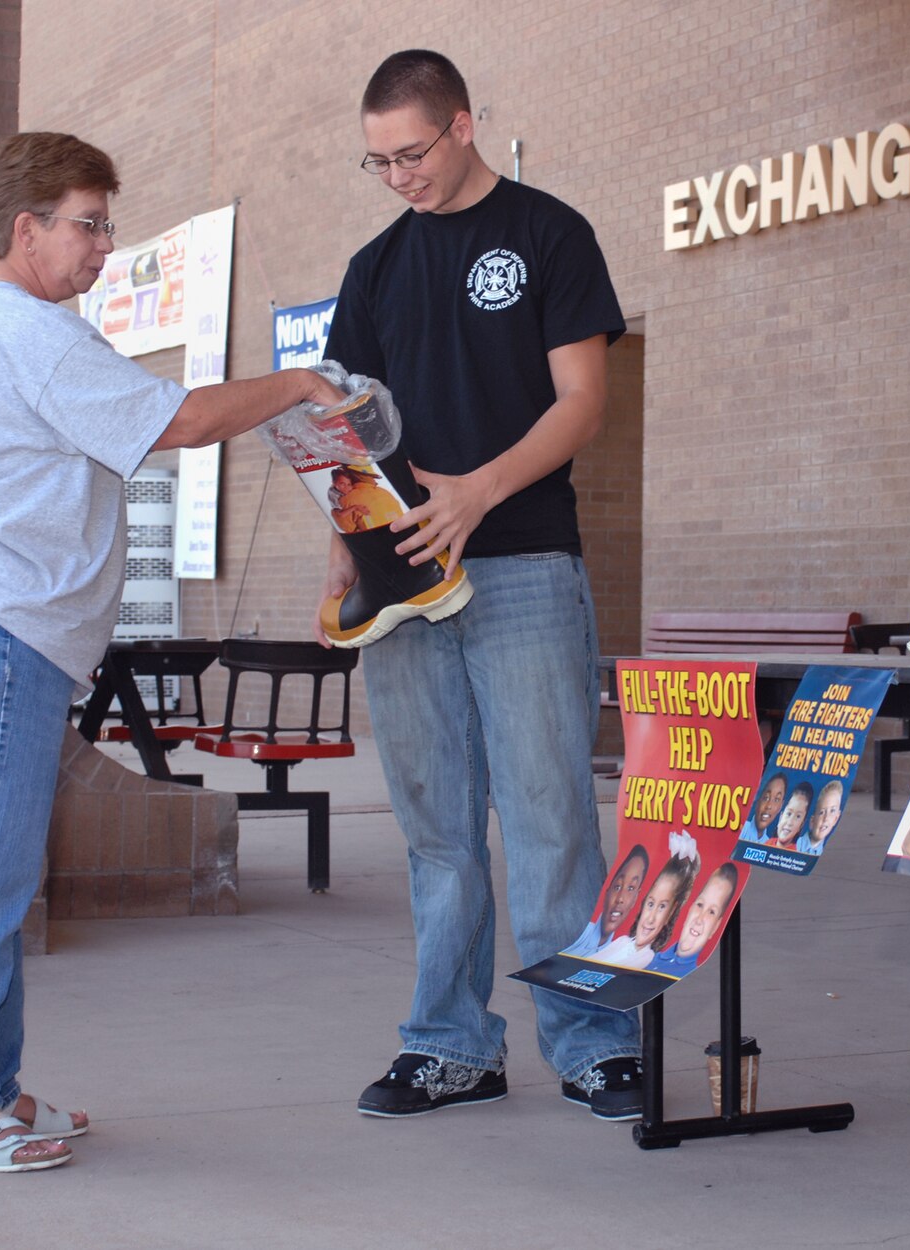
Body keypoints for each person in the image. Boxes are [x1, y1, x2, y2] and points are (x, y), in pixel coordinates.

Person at [0, 132, 343, 1171]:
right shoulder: (27, 331)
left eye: (107, 225)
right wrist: (296, 383)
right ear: (28, 228)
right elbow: (179, 421)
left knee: (0, 864)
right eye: (89, 224)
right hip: (0, 618)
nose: (104, 247)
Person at [317, 51, 642, 1122]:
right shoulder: (372, 270)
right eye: (378, 161)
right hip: (403, 581)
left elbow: (581, 400)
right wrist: (343, 569)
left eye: (410, 151)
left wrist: (477, 493)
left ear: (462, 123)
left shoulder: (549, 233)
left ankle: (594, 1041)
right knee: (438, 828)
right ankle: (450, 1044)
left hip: (525, 566)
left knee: (550, 816)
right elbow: (346, 439)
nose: (398, 174)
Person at [591, 846, 700, 971]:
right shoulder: (623, 942)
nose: (651, 918)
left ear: (670, 913)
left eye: (662, 907)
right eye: (650, 904)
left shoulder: (646, 957)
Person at [647, 864, 740, 977]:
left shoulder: (696, 976)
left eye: (711, 912)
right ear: (690, 908)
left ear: (716, 926)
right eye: (700, 905)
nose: (699, 919)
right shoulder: (650, 957)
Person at [564, 845, 648, 958]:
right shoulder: (575, 933)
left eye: (631, 888)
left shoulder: (621, 953)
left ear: (635, 898)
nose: (620, 899)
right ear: (607, 890)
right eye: (617, 887)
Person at [795, 780, 844, 855]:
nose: (826, 818)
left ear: (836, 818)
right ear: (812, 821)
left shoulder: (824, 850)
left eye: (832, 811)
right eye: (821, 812)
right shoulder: (796, 844)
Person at [740, 772, 789, 843]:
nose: (769, 806)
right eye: (766, 797)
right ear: (757, 798)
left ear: (780, 806)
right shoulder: (740, 829)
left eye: (776, 799)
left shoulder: (768, 843)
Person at [766, 780, 813, 850]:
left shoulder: (795, 854)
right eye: (788, 814)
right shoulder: (768, 843)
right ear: (781, 817)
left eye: (798, 816)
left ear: (801, 825)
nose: (790, 822)